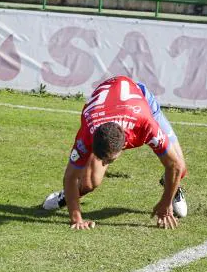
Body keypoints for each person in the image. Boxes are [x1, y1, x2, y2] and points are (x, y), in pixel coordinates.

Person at [42, 75, 188, 230]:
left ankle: (172, 186)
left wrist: (165, 204)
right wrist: (76, 219)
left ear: (125, 145)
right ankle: (68, 195)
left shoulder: (146, 125)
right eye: (102, 158)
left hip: (141, 103)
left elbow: (175, 165)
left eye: (109, 161)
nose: (105, 163)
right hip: (107, 108)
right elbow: (70, 176)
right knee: (90, 183)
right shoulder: (88, 132)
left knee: (180, 168)